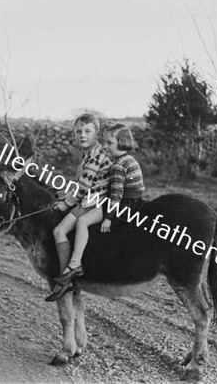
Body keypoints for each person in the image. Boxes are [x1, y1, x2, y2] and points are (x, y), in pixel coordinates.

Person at [48, 123, 145, 301]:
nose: (105, 146)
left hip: (122, 204)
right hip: (131, 200)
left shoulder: (117, 166)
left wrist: (108, 218)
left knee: (83, 222)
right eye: (105, 142)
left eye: (109, 143)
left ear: (121, 142)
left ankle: (75, 263)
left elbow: (115, 195)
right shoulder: (127, 159)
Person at [45, 113, 112, 302]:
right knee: (60, 229)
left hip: (98, 202)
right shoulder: (87, 154)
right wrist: (66, 196)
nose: (82, 135)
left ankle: (72, 266)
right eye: (78, 132)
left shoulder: (95, 155)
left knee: (59, 230)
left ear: (96, 133)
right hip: (90, 199)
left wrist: (66, 203)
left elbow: (83, 188)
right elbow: (79, 183)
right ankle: (67, 276)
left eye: (87, 131)